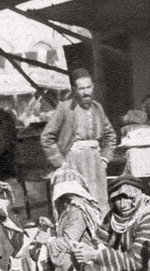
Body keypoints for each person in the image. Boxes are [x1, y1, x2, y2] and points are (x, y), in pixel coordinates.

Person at [71, 175, 150, 271]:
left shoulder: (148, 216)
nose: (122, 204)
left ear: (136, 196)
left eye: (127, 197)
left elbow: (137, 261)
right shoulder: (114, 216)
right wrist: (83, 248)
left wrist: (96, 255)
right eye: (117, 199)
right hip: (118, 266)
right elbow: (99, 241)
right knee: (85, 267)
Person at [20, 167, 102, 271]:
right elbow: (65, 230)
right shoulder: (68, 209)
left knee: (64, 258)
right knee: (28, 251)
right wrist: (52, 227)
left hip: (80, 251)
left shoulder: (77, 210)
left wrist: (47, 240)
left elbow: (69, 241)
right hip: (67, 246)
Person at [40, 69, 117, 214]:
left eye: (88, 87)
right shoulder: (65, 108)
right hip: (73, 162)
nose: (85, 92)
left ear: (93, 87)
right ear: (74, 89)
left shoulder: (97, 107)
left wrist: (105, 159)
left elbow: (110, 136)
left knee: (99, 201)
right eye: (81, 88)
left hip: (95, 162)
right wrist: (61, 163)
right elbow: (47, 137)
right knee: (77, 202)